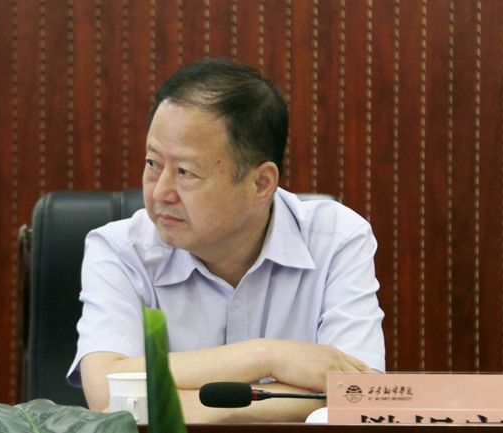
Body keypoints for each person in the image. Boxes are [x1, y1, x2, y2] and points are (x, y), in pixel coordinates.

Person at [66, 58, 385, 422]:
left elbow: (359, 394)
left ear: (260, 183)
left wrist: (162, 403)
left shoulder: (338, 241)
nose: (160, 192)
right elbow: (106, 390)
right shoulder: (121, 250)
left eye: (186, 172)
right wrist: (267, 356)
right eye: (153, 163)